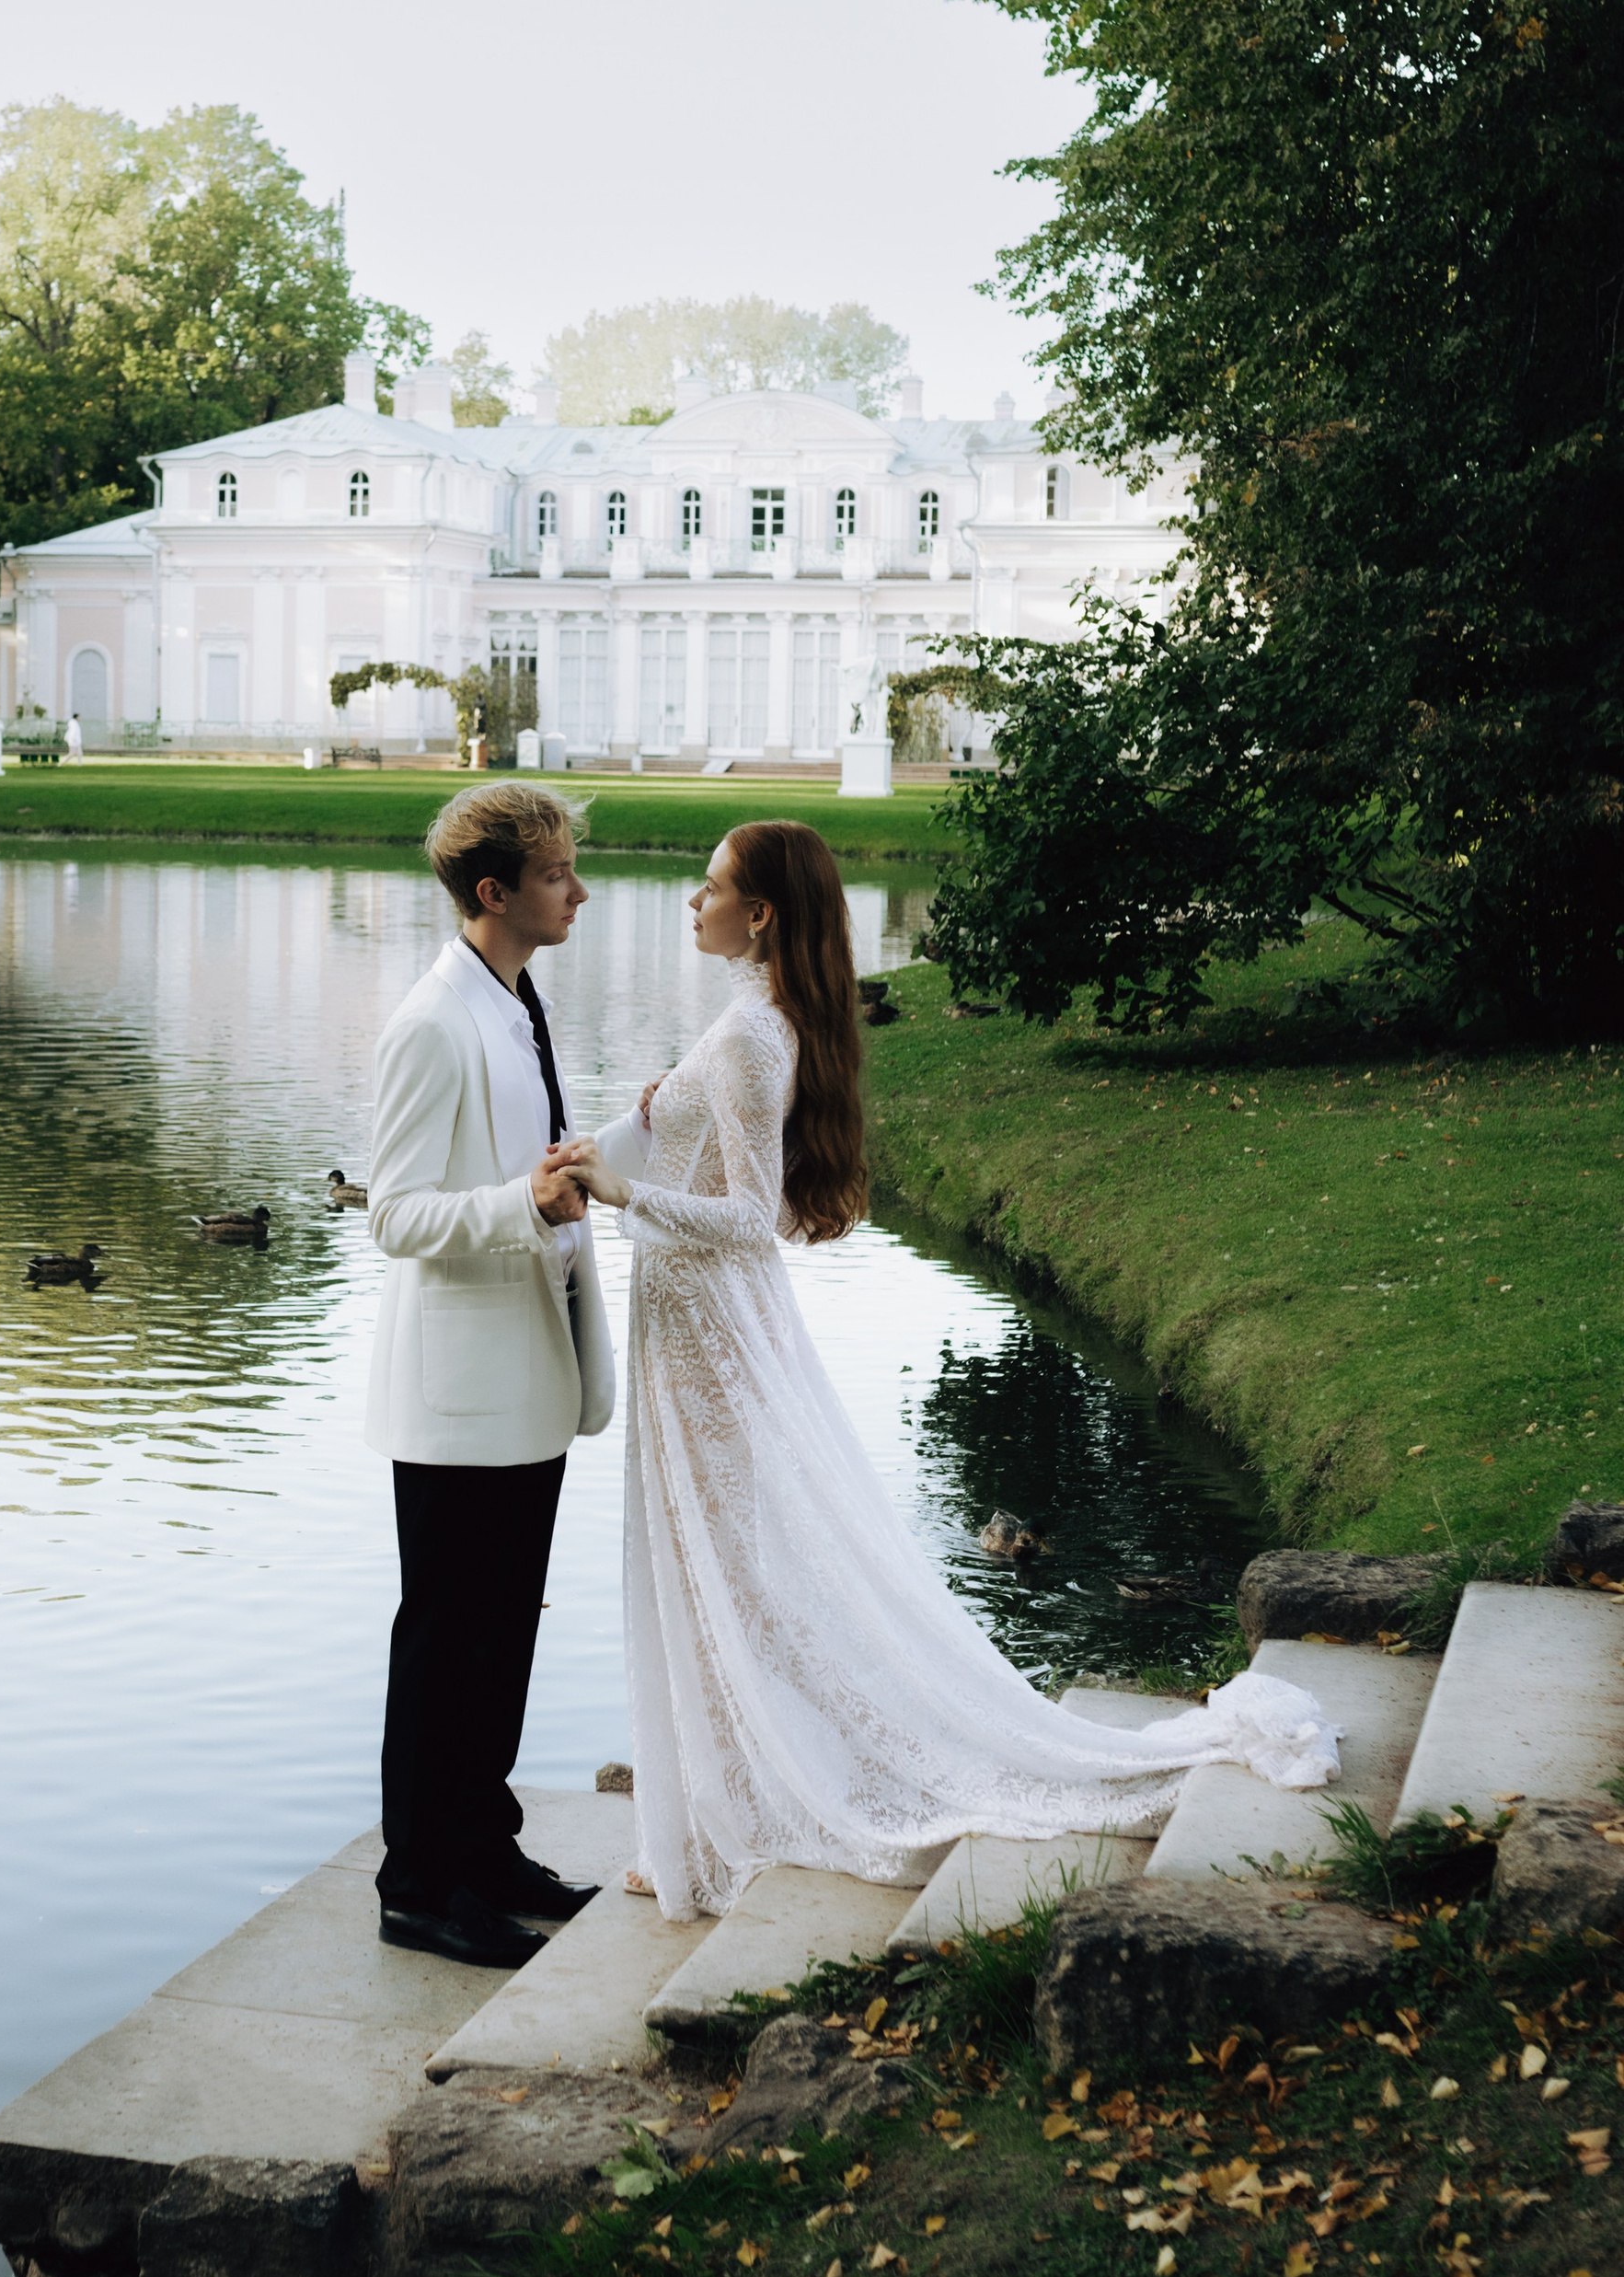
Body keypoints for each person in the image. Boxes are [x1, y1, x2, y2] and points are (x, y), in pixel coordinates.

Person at [545, 820, 1340, 1921]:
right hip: (699, 1326)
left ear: (760, 913)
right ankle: (707, 1808)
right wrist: (642, 1126)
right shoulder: (755, 1026)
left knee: (720, 1565)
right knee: (718, 1565)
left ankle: (720, 1821)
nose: (693, 902)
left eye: (712, 887)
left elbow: (744, 1220)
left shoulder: (746, 1040)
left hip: (707, 1334)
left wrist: (621, 1189)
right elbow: (755, 1188)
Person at [363, 780, 617, 1969]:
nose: (579, 890)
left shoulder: (519, 1003)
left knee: (504, 1629)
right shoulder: (430, 1022)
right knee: (445, 1635)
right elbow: (397, 1216)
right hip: (459, 1392)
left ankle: (485, 1842)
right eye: (560, 874)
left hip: (532, 1376)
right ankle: (418, 1882)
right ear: (494, 893)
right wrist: (525, 1200)